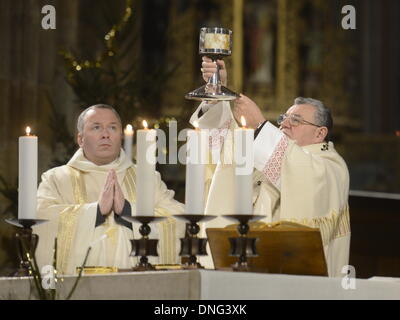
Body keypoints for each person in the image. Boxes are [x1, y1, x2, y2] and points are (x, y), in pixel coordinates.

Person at [190, 57, 350, 277]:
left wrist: (259, 125)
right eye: (284, 117)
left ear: (320, 133)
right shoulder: (266, 153)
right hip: (243, 265)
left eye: (296, 120)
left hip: (292, 277)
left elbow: (306, 179)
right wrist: (217, 96)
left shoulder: (331, 166)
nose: (284, 123)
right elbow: (226, 146)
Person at [34, 104, 185, 275]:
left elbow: (177, 216)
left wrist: (128, 211)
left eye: (112, 128)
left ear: (120, 136)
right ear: (80, 139)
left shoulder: (146, 177)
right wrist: (96, 212)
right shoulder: (56, 178)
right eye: (96, 127)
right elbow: (42, 217)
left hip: (137, 284)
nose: (105, 134)